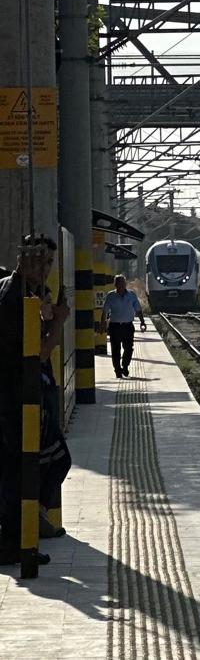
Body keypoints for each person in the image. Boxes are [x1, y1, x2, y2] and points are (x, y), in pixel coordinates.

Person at [0, 233, 70, 566]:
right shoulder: (16, 297)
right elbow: (39, 353)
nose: (45, 269)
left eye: (50, 262)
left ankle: (23, 536)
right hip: (16, 402)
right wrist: (57, 322)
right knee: (29, 469)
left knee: (24, 470)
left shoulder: (24, 293)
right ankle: (20, 538)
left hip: (23, 400)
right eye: (39, 260)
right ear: (23, 259)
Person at [102, 274, 145, 379]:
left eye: (122, 283)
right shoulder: (110, 296)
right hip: (115, 326)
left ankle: (125, 365)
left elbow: (138, 309)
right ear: (115, 285)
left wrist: (142, 322)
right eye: (118, 284)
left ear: (125, 284)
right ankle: (117, 370)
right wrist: (103, 323)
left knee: (129, 348)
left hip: (128, 326)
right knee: (115, 349)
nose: (120, 286)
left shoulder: (131, 295)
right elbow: (105, 311)